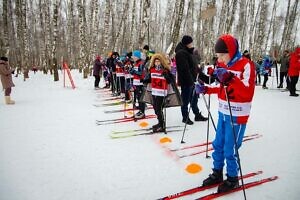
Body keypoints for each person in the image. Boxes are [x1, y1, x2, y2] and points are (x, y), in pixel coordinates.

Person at [196, 34, 255, 192]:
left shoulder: (246, 65)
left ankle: (232, 178)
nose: (220, 59)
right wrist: (207, 89)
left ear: (232, 50)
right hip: (223, 112)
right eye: (218, 56)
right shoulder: (224, 66)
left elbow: (247, 92)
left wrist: (230, 79)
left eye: (222, 55)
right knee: (218, 145)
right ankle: (217, 173)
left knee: (230, 147)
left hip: (237, 114)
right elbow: (223, 89)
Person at [142, 53, 182, 132]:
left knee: (158, 108)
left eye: (158, 61)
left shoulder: (165, 70)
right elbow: (149, 79)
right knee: (155, 108)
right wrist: (144, 80)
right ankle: (160, 122)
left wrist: (166, 76)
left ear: (161, 62)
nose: (157, 63)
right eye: (156, 61)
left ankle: (162, 124)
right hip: (154, 92)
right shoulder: (152, 69)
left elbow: (170, 81)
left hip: (162, 92)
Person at [175, 35, 208, 125]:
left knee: (194, 99)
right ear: (187, 43)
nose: (192, 44)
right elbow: (184, 69)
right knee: (185, 100)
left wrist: (205, 78)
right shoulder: (181, 53)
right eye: (191, 43)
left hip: (193, 81)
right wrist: (190, 81)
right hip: (187, 82)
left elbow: (194, 67)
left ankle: (197, 114)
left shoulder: (189, 52)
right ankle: (185, 117)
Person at [130, 50, 146, 119]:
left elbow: (141, 73)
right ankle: (140, 110)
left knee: (141, 98)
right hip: (136, 83)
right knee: (137, 97)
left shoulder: (141, 63)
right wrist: (131, 71)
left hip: (140, 83)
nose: (133, 57)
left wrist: (134, 71)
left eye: (134, 56)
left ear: (137, 57)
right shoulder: (135, 63)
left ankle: (142, 112)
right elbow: (135, 73)